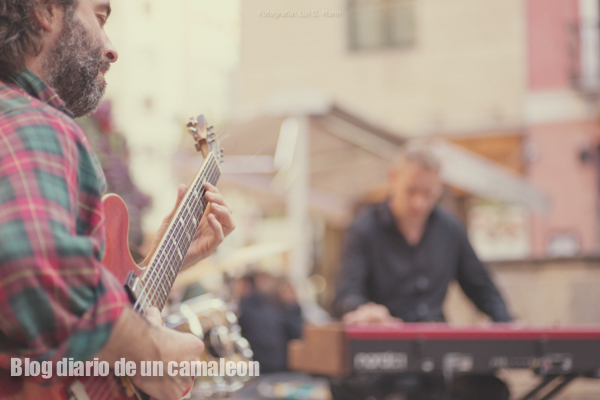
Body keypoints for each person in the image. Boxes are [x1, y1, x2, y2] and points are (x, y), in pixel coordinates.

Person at [0, 1, 235, 400]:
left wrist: (164, 258)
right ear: (45, 10)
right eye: (100, 17)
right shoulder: (32, 121)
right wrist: (150, 351)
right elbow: (32, 270)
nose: (111, 49)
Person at [332, 145, 512, 400]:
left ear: (439, 188)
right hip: (382, 359)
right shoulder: (363, 230)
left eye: (428, 194)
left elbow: (481, 286)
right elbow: (345, 294)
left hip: (437, 359)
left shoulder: (450, 229)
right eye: (412, 191)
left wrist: (507, 325)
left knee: (492, 390)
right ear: (393, 178)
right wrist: (364, 311)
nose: (419, 202)